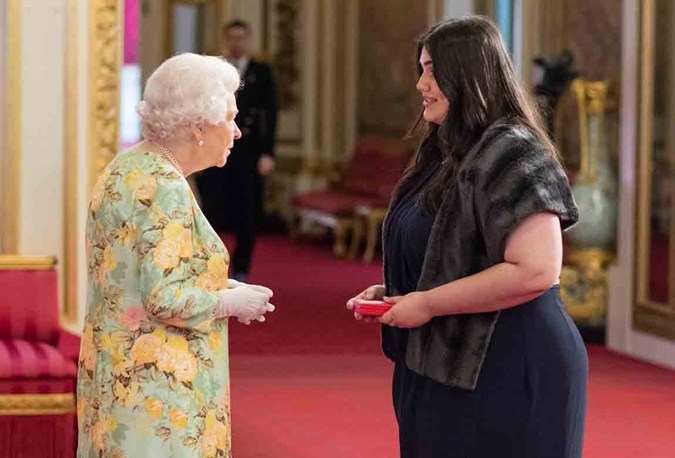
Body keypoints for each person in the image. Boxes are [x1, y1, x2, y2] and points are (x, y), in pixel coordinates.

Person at [347, 16, 587, 458]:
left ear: (468, 74)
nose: (420, 84)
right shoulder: (443, 150)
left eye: (431, 69)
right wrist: (400, 290)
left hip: (512, 365)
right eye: (421, 69)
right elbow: (445, 252)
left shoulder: (515, 149)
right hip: (444, 363)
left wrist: (428, 302)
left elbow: (535, 270)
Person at [77, 53, 276, 457]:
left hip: (116, 375)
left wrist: (224, 284)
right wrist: (230, 302)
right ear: (200, 125)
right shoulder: (164, 185)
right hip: (159, 393)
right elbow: (164, 298)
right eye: (230, 118)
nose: (237, 132)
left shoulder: (129, 165)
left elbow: (138, 272)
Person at [196, 19, 278, 282]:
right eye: (232, 37)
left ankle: (241, 269)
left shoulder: (261, 72)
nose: (237, 42)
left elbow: (270, 114)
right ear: (225, 39)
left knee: (247, 211)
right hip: (217, 149)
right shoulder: (214, 71)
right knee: (213, 209)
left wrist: (268, 153)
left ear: (249, 40)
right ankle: (210, 266)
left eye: (242, 37)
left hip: (248, 152)